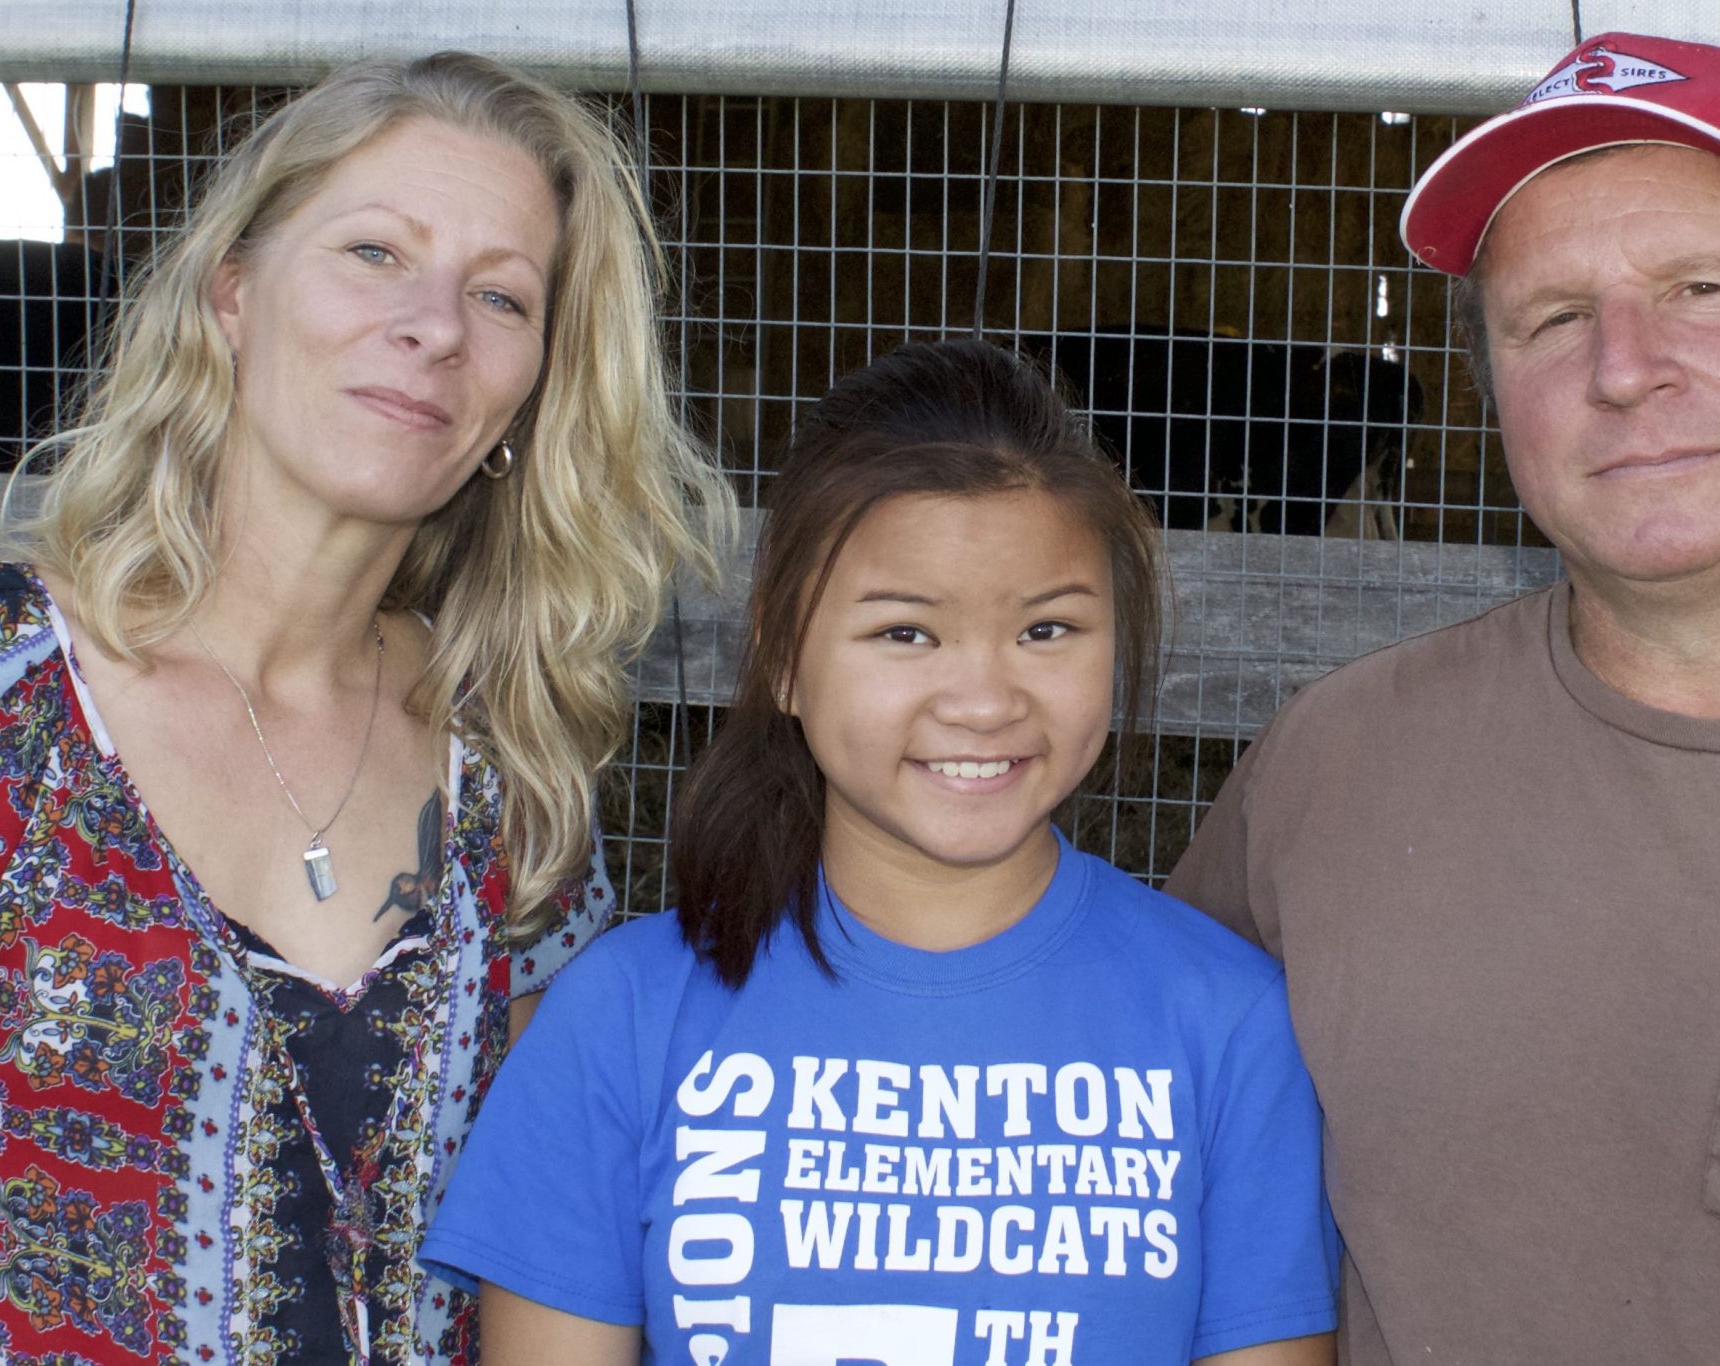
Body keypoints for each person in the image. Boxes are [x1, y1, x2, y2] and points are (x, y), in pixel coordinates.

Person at [1168, 30, 1720, 1364]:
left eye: (1703, 288)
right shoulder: (1340, 762)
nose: (1623, 366)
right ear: (1496, 405)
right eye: (1551, 318)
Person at [0, 52, 731, 1364]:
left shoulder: (508, 773)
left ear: (529, 388)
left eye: (501, 294)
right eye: (375, 252)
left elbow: (553, 1263)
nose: (435, 326)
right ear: (233, 292)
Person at [419, 339, 1342, 1364]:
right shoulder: (623, 1017)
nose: (984, 701)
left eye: (1046, 631)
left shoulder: (1229, 1022)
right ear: (780, 654)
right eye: (905, 633)